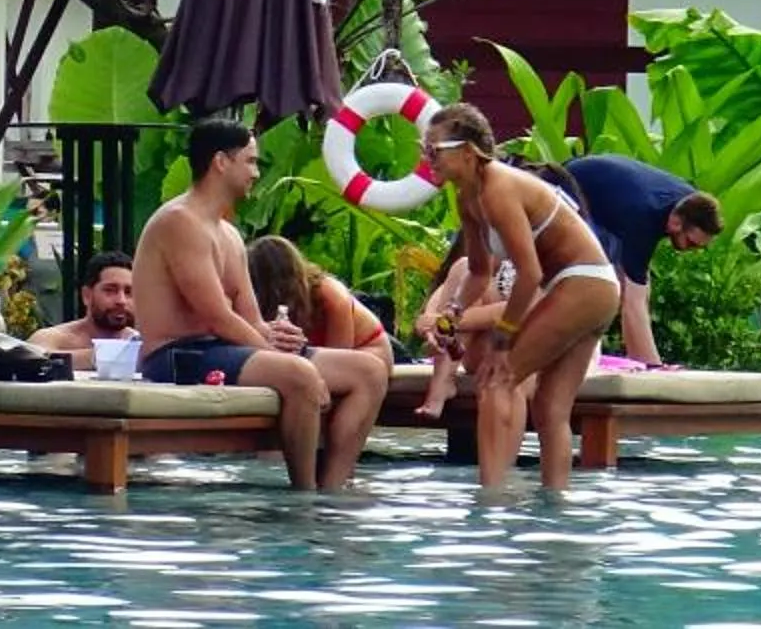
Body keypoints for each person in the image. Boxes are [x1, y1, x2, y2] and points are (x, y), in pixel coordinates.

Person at [131, 119, 388, 491]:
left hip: (223, 350)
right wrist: (282, 357)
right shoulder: (178, 222)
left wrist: (278, 335)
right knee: (299, 376)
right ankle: (304, 496)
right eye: (250, 162)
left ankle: (332, 489)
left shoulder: (229, 234)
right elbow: (216, 316)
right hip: (177, 355)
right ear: (221, 162)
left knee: (369, 371)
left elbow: (249, 318)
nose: (255, 172)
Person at [422, 102, 623, 491]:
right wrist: (451, 316)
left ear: (468, 152)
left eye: (434, 151)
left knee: (497, 378)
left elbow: (529, 273)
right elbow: (480, 271)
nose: (427, 159)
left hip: (582, 282)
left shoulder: (498, 187)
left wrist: (504, 337)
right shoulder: (468, 197)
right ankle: (555, 506)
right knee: (550, 408)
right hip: (591, 286)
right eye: (423, 149)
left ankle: (490, 502)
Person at [562, 153, 720, 365]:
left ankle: (630, 355)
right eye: (690, 243)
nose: (692, 250)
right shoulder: (644, 216)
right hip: (569, 187)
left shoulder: (689, 202)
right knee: (601, 280)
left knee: (636, 283)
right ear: (676, 223)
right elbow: (633, 305)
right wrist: (653, 369)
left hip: (604, 194)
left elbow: (640, 282)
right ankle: (574, 348)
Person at [245, 237, 394, 366]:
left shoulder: (331, 294)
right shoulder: (264, 302)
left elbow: (340, 358)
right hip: (321, 356)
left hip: (367, 351)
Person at [408, 253, 513, 421]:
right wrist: (431, 317)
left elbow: (518, 309)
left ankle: (440, 386)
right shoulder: (501, 244)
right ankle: (441, 383)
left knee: (472, 280)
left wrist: (444, 322)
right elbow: (465, 282)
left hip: (517, 350)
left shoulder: (544, 251)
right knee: (466, 266)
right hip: (479, 348)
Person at [29, 251, 137, 370]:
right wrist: (106, 356)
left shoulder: (141, 342)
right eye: (110, 290)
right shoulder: (54, 338)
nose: (121, 300)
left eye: (128, 292)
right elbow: (34, 359)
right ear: (87, 295)